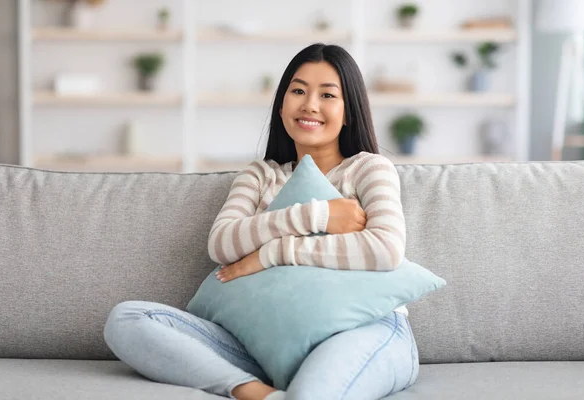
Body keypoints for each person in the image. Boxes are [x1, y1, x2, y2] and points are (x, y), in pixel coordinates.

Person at [104, 43, 419, 400]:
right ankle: (255, 392)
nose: (310, 104)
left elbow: (385, 250)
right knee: (128, 319)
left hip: (361, 331)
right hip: (263, 344)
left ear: (349, 112)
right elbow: (222, 243)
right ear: (282, 105)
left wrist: (271, 254)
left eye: (327, 95)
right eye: (298, 90)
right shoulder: (260, 176)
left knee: (312, 394)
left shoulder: (369, 169)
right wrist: (317, 215)